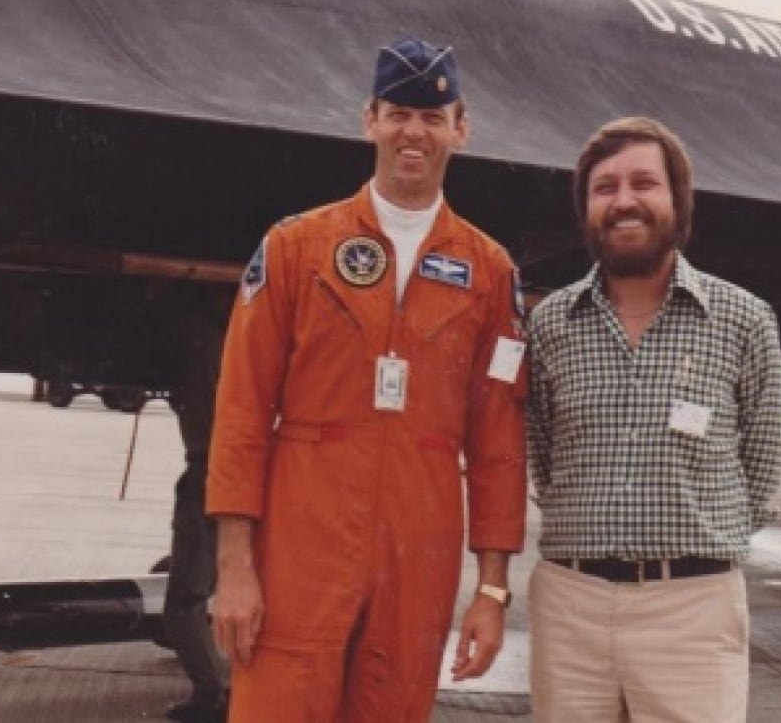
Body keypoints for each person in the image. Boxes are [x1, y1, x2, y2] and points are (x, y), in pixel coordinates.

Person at [205, 36, 527, 721]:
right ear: (369, 119)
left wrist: (492, 590)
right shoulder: (295, 247)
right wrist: (235, 567)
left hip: (419, 548)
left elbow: (498, 441)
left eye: (433, 117)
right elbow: (239, 413)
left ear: (460, 128)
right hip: (300, 545)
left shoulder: (489, 271)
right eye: (399, 112)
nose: (414, 131)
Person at [526, 116, 781, 722]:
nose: (624, 201)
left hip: (691, 608)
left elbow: (763, 474)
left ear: (677, 200)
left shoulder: (743, 319)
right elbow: (543, 458)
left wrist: (689, 548)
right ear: (587, 207)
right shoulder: (551, 325)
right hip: (571, 605)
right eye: (605, 187)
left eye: (644, 183)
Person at [163, 298, 231, 723]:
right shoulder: (232, 349)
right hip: (229, 476)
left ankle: (213, 697)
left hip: (209, 476)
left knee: (184, 601)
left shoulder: (200, 340)